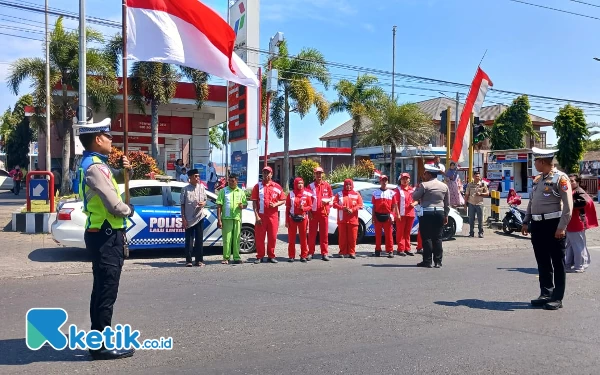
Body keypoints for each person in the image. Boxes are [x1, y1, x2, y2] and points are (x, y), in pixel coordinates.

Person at [75, 118, 135, 360]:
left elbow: (110, 182)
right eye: (108, 136)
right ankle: (100, 346)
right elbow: (114, 205)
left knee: (101, 290)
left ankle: (97, 341)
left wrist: (124, 172)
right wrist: (129, 210)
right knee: (106, 292)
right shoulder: (95, 167)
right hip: (107, 235)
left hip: (101, 234)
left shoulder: (94, 165)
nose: (111, 140)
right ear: (98, 139)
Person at [522, 148, 573, 311]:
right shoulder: (538, 180)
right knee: (542, 261)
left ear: (542, 162)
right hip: (537, 226)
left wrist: (562, 227)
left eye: (536, 161)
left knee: (557, 262)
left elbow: (568, 207)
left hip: (554, 225)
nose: (534, 163)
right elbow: (531, 202)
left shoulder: (561, 178)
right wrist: (526, 221)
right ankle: (546, 292)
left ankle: (557, 297)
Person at [412, 164, 449, 268]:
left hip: (427, 212)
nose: (424, 176)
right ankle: (438, 261)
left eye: (425, 173)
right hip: (440, 212)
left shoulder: (424, 185)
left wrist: (417, 188)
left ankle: (427, 261)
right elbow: (447, 203)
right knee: (438, 237)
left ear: (429, 174)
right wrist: (446, 215)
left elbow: (415, 197)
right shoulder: (444, 186)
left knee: (427, 237)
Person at [252, 166, 285, 263]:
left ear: (271, 174)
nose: (266, 175)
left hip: (273, 216)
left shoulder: (277, 187)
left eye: (268, 173)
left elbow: (283, 200)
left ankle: (271, 256)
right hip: (261, 216)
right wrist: (256, 216)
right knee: (259, 237)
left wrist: (275, 204)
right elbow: (254, 202)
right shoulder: (257, 187)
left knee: (273, 237)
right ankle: (260, 256)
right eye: (264, 173)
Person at [565, 174, 597, 273]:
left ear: (577, 182)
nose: (570, 182)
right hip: (571, 222)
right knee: (570, 245)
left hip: (576, 222)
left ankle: (579, 266)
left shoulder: (579, 191)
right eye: (569, 181)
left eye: (572, 181)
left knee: (578, 245)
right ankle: (568, 264)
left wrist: (569, 203)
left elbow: (584, 202)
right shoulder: (572, 191)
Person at [217, 173, 247, 265]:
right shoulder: (223, 191)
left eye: (232, 181)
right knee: (227, 239)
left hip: (237, 218)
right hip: (226, 218)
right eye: (229, 181)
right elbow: (219, 205)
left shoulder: (241, 192)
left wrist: (243, 206)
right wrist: (219, 219)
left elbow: (245, 204)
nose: (230, 182)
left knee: (237, 239)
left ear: (237, 181)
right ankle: (226, 257)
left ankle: (236, 257)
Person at [180, 168, 207, 267]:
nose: (197, 178)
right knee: (189, 240)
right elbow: (182, 204)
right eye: (195, 176)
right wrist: (183, 218)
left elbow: (205, 200)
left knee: (199, 240)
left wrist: (203, 203)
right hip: (188, 217)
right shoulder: (185, 189)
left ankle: (199, 260)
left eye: (198, 176)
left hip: (199, 216)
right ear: (190, 178)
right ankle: (188, 260)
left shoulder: (202, 187)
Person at [307, 166, 333, 261]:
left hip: (324, 214)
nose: (319, 175)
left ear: (322, 174)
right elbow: (307, 200)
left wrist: (327, 203)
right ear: (314, 174)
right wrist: (309, 212)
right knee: (312, 234)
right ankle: (310, 252)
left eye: (320, 173)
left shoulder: (327, 185)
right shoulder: (310, 186)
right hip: (313, 214)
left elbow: (331, 198)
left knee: (324, 234)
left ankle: (324, 253)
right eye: (317, 173)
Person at [333, 179, 363, 259]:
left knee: (353, 237)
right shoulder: (339, 194)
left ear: (352, 185)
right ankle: (342, 252)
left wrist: (352, 209)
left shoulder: (356, 194)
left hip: (353, 219)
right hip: (342, 219)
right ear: (344, 185)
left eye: (350, 184)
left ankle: (352, 252)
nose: (348, 186)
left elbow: (360, 204)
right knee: (342, 237)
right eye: (346, 184)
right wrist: (342, 208)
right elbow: (334, 204)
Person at [285, 177, 312, 262]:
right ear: (295, 184)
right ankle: (291, 256)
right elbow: (287, 208)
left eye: (301, 183)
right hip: (292, 218)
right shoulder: (291, 194)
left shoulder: (307, 194)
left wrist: (303, 208)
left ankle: (303, 255)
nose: (300, 185)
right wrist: (286, 221)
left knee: (303, 238)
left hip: (303, 218)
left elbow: (310, 206)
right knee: (291, 238)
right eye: (298, 183)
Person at [371, 175, 397, 258]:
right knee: (377, 235)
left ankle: (390, 251)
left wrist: (392, 215)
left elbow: (394, 205)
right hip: (377, 216)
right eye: (383, 180)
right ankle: (377, 250)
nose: (384, 182)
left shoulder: (392, 193)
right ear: (380, 181)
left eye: (386, 180)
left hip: (388, 216)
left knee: (389, 235)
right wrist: (373, 217)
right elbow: (374, 206)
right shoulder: (375, 193)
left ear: (387, 182)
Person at [394, 173, 417, 256]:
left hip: (410, 214)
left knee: (407, 232)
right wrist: (397, 214)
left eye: (406, 178)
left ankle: (407, 248)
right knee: (400, 232)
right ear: (400, 180)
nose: (405, 180)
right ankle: (400, 249)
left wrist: (414, 204)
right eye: (403, 178)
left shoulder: (412, 190)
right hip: (401, 214)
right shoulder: (398, 190)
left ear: (409, 180)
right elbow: (395, 203)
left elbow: (417, 200)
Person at [464, 171, 490, 238]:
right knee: (471, 219)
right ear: (473, 177)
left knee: (480, 219)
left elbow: (487, 193)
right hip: (471, 203)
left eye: (478, 176)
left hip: (479, 204)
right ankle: (471, 233)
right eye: (476, 176)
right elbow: (466, 195)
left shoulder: (483, 184)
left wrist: (481, 194)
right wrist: (465, 204)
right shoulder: (469, 184)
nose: (477, 178)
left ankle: (480, 233)